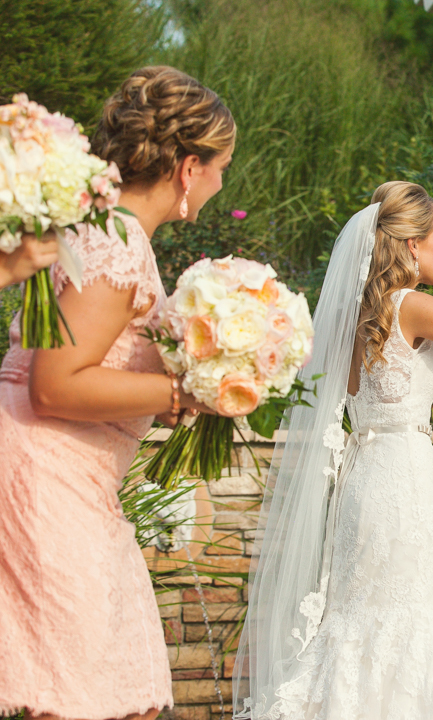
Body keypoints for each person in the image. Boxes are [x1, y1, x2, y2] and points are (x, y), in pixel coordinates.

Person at [235, 181, 433, 719]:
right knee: (401, 614)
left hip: (365, 472)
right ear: (413, 245)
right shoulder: (412, 305)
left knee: (360, 614)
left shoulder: (359, 310)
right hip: (400, 476)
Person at [0, 66, 236, 719]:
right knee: (81, 697)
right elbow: (54, 384)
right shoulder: (119, 240)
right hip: (47, 471)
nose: (221, 184)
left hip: (74, 475)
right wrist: (182, 392)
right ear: (189, 168)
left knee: (120, 693)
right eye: (221, 168)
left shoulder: (102, 230)